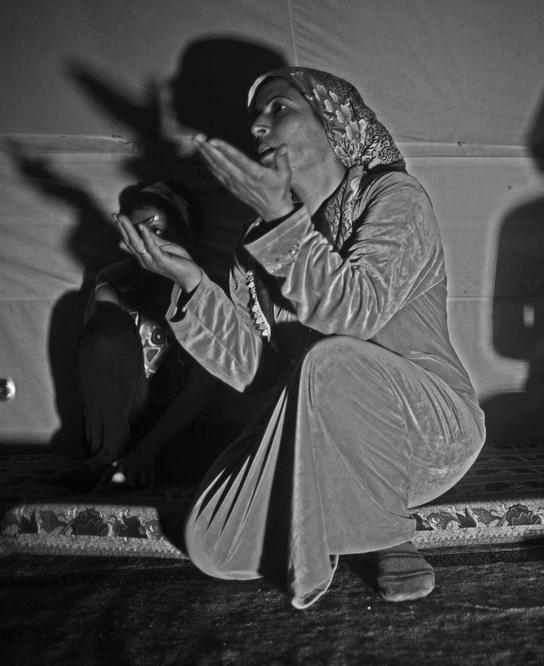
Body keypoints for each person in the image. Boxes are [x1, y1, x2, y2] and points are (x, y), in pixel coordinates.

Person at [114, 67, 485, 608]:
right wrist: (192, 283)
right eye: (254, 118)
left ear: (333, 120)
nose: (258, 126)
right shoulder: (253, 245)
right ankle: (332, 518)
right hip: (318, 435)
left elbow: (355, 313)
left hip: (426, 433)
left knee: (332, 359)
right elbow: (256, 371)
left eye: (280, 108)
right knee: (212, 541)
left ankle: (386, 533)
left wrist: (281, 220)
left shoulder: (394, 197)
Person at [54, 181, 217, 493]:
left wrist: (145, 454)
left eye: (156, 231)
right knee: (105, 334)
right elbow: (103, 350)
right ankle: (107, 462)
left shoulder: (209, 291)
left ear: (187, 237)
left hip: (181, 433)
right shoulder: (115, 282)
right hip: (121, 433)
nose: (146, 244)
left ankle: (132, 468)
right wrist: (115, 454)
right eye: (135, 233)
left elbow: (200, 390)